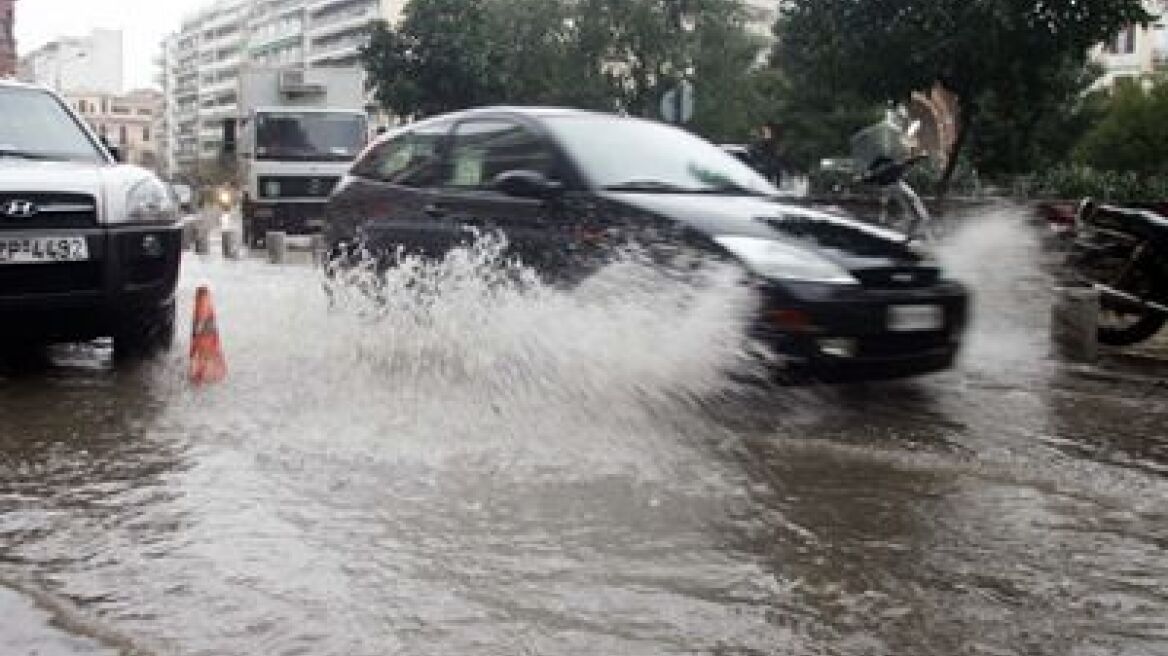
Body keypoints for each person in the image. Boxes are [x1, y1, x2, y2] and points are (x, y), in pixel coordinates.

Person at [747, 121, 786, 187]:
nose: (767, 133)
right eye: (765, 131)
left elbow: (779, 160)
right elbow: (752, 156)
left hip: (772, 174)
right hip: (760, 174)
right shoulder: (757, 145)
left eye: (768, 131)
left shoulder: (776, 145)